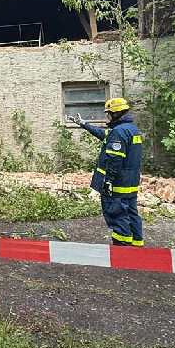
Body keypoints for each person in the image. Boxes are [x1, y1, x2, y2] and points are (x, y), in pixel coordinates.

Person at [67, 97, 144, 247]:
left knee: (118, 215)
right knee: (132, 214)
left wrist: (108, 181)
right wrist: (84, 124)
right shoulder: (131, 129)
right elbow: (104, 135)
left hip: (118, 184)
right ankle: (137, 247)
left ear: (115, 113)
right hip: (131, 183)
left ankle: (123, 248)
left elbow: (115, 160)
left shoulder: (119, 132)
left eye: (108, 113)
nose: (107, 116)